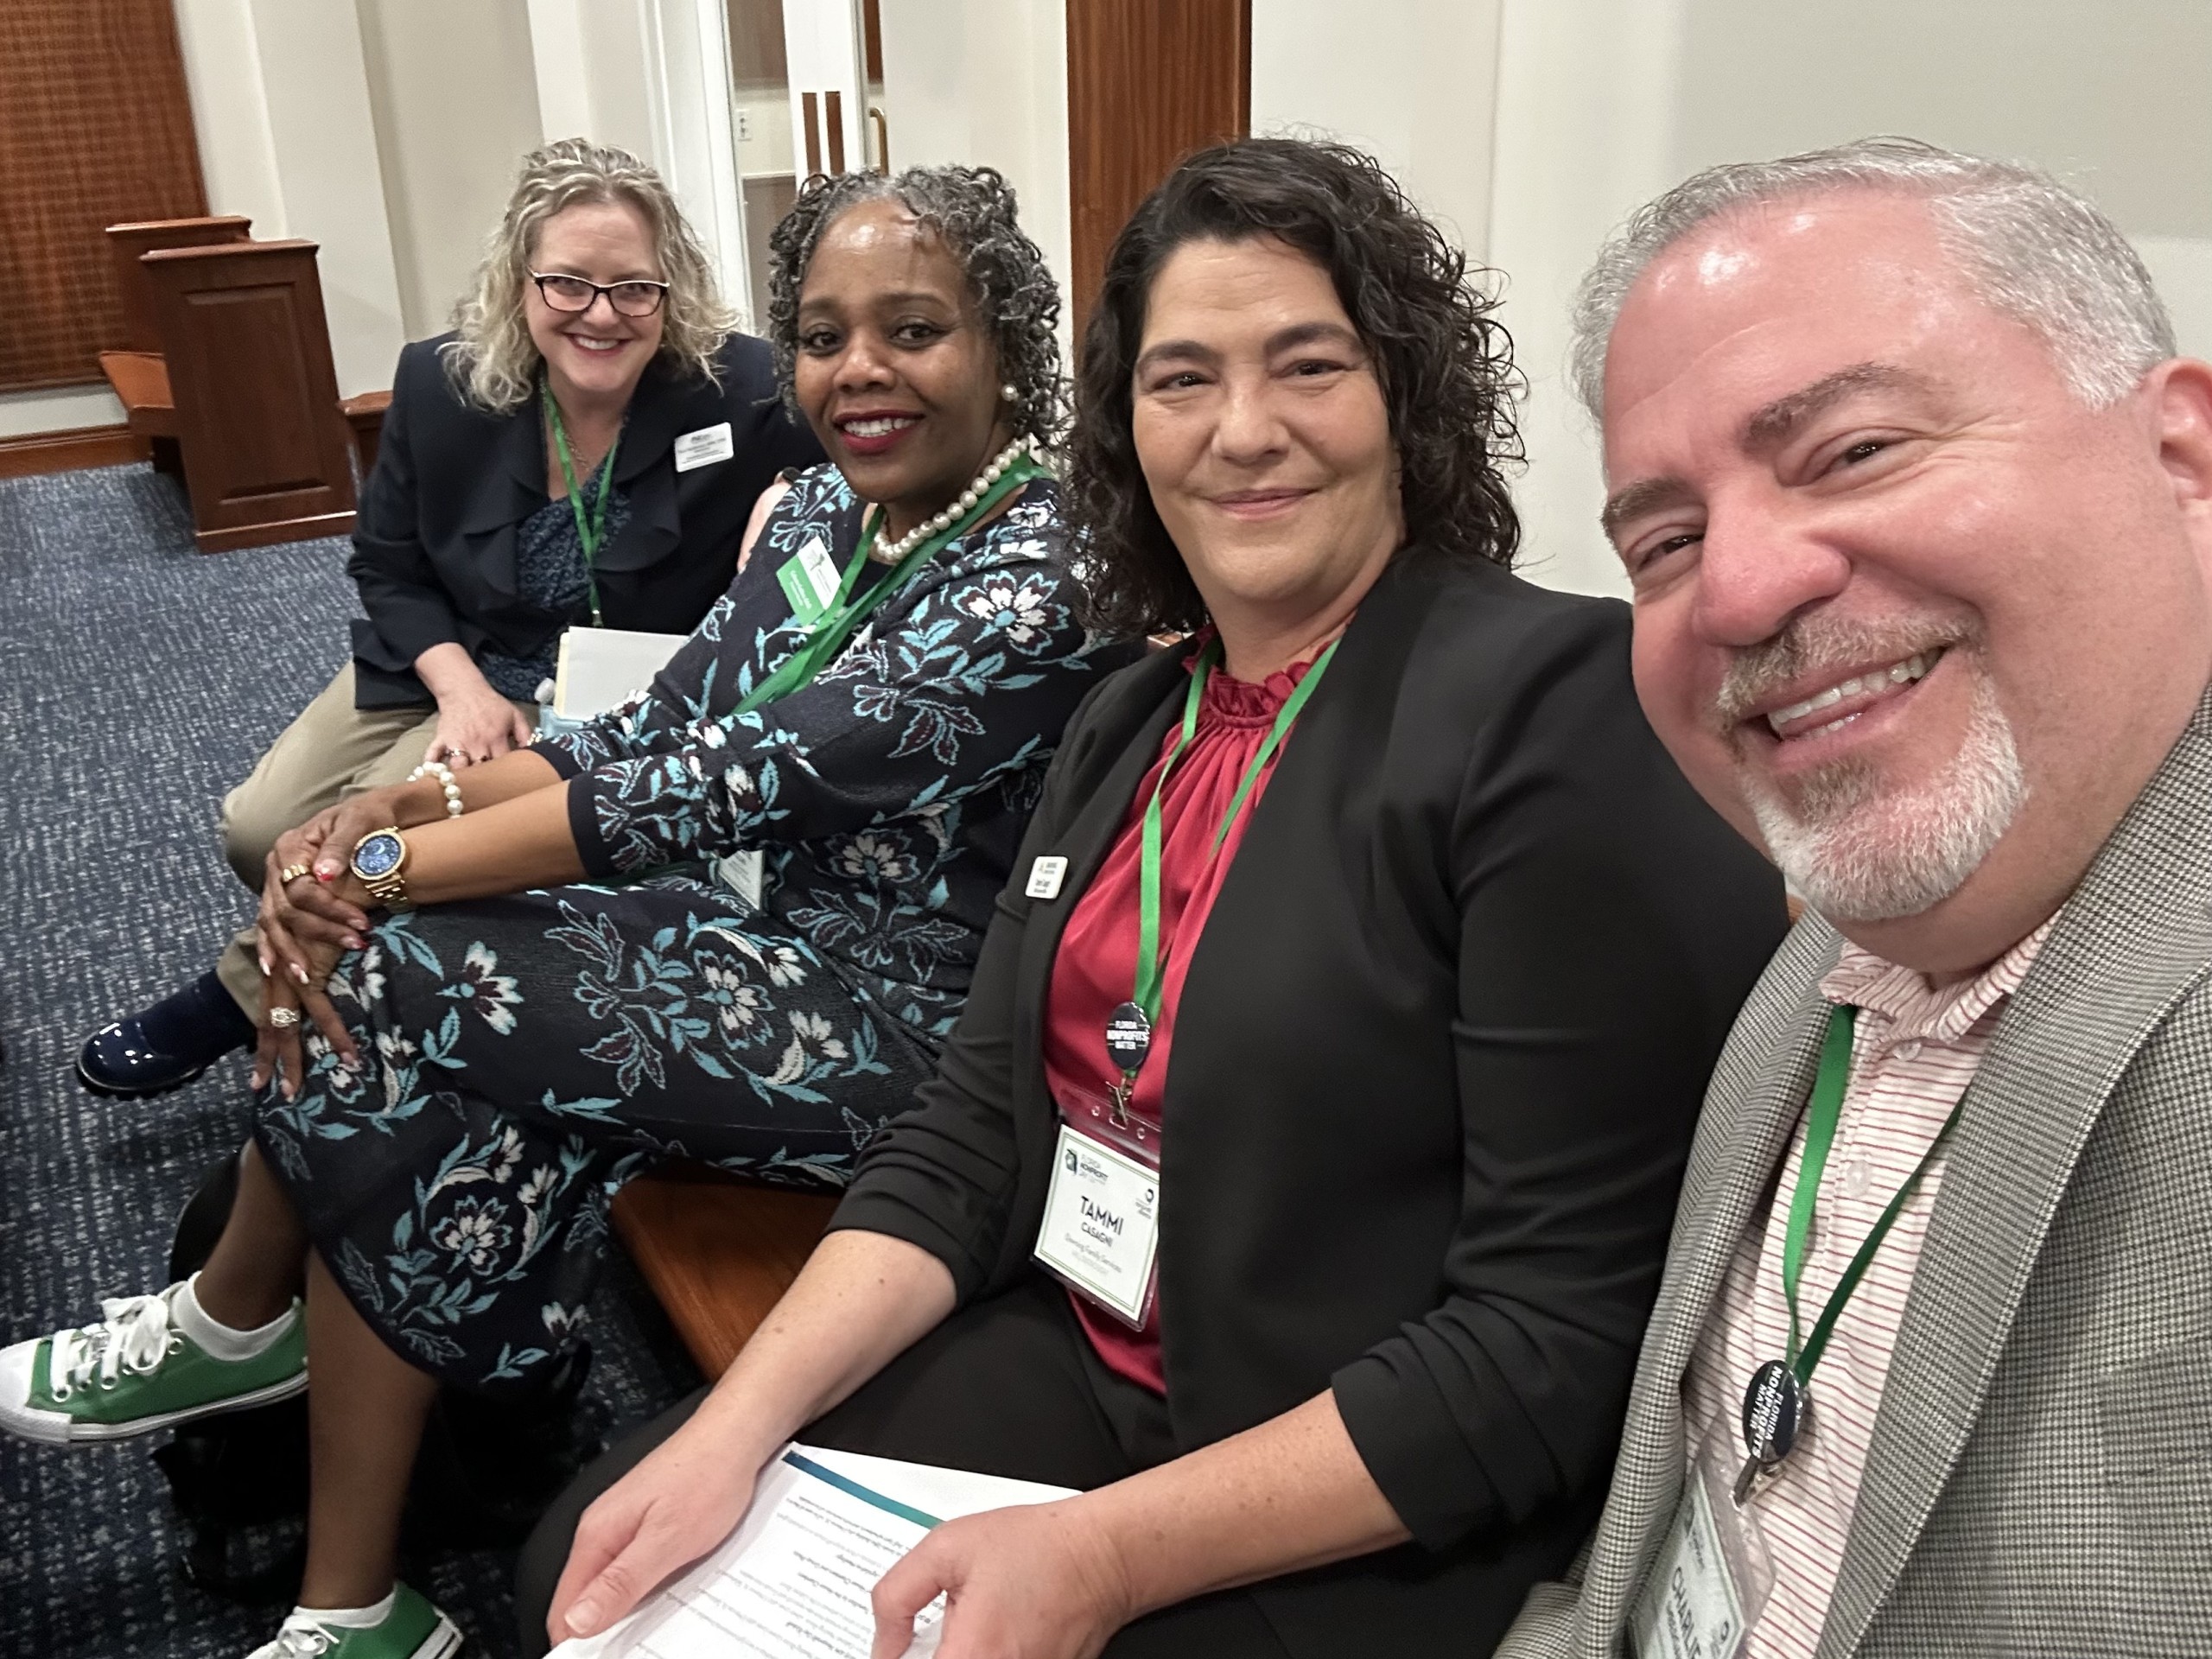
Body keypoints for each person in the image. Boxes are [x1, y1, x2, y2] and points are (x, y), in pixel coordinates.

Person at [517, 139, 1786, 1659]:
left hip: (1366, 1480)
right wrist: (736, 1427)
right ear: (1127, 426)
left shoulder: (1552, 709)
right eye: (1184, 380)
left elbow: (1548, 1342)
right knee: (585, 1576)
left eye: (1307, 365)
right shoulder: (1134, 715)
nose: (1244, 432)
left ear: (1405, 395)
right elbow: (971, 1136)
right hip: (1095, 1355)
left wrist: (1101, 1558)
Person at [0, 163, 1131, 1659]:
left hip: (910, 1037)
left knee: (393, 967)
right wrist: (410, 805)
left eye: (912, 330)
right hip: (742, 944)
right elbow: (653, 723)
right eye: (822, 335)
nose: (858, 368)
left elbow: (730, 779)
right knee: (423, 1094)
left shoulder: (1045, 567)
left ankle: (235, 1323)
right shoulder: (821, 516)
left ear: (1007, 342)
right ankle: (351, 1606)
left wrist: (374, 870)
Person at [1495, 137, 2212, 1659]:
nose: (1739, 591)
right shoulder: (1841, 939)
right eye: (1667, 542)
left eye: (1855, 452)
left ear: (2181, 462)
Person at [76, 137, 821, 1101]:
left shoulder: (740, 388)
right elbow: (386, 565)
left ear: (669, 291)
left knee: (365, 850)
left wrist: (800, 494)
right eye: (568, 283)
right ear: (520, 281)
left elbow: (859, 453)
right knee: (256, 830)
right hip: (451, 655)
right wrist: (460, 689)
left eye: (634, 289)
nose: (602, 314)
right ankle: (321, 983)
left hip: (601, 694)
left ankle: (234, 1002)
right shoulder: (443, 384)